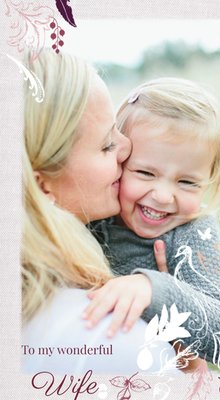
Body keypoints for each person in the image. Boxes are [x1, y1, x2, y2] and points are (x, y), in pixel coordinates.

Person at [22, 50, 176, 374]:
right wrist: (184, 351)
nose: (127, 148)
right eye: (107, 144)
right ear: (42, 185)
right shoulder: (119, 343)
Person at [86, 78, 220, 368]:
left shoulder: (192, 234)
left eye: (187, 182)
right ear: (119, 159)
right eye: (146, 173)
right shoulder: (94, 215)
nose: (162, 196)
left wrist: (154, 289)